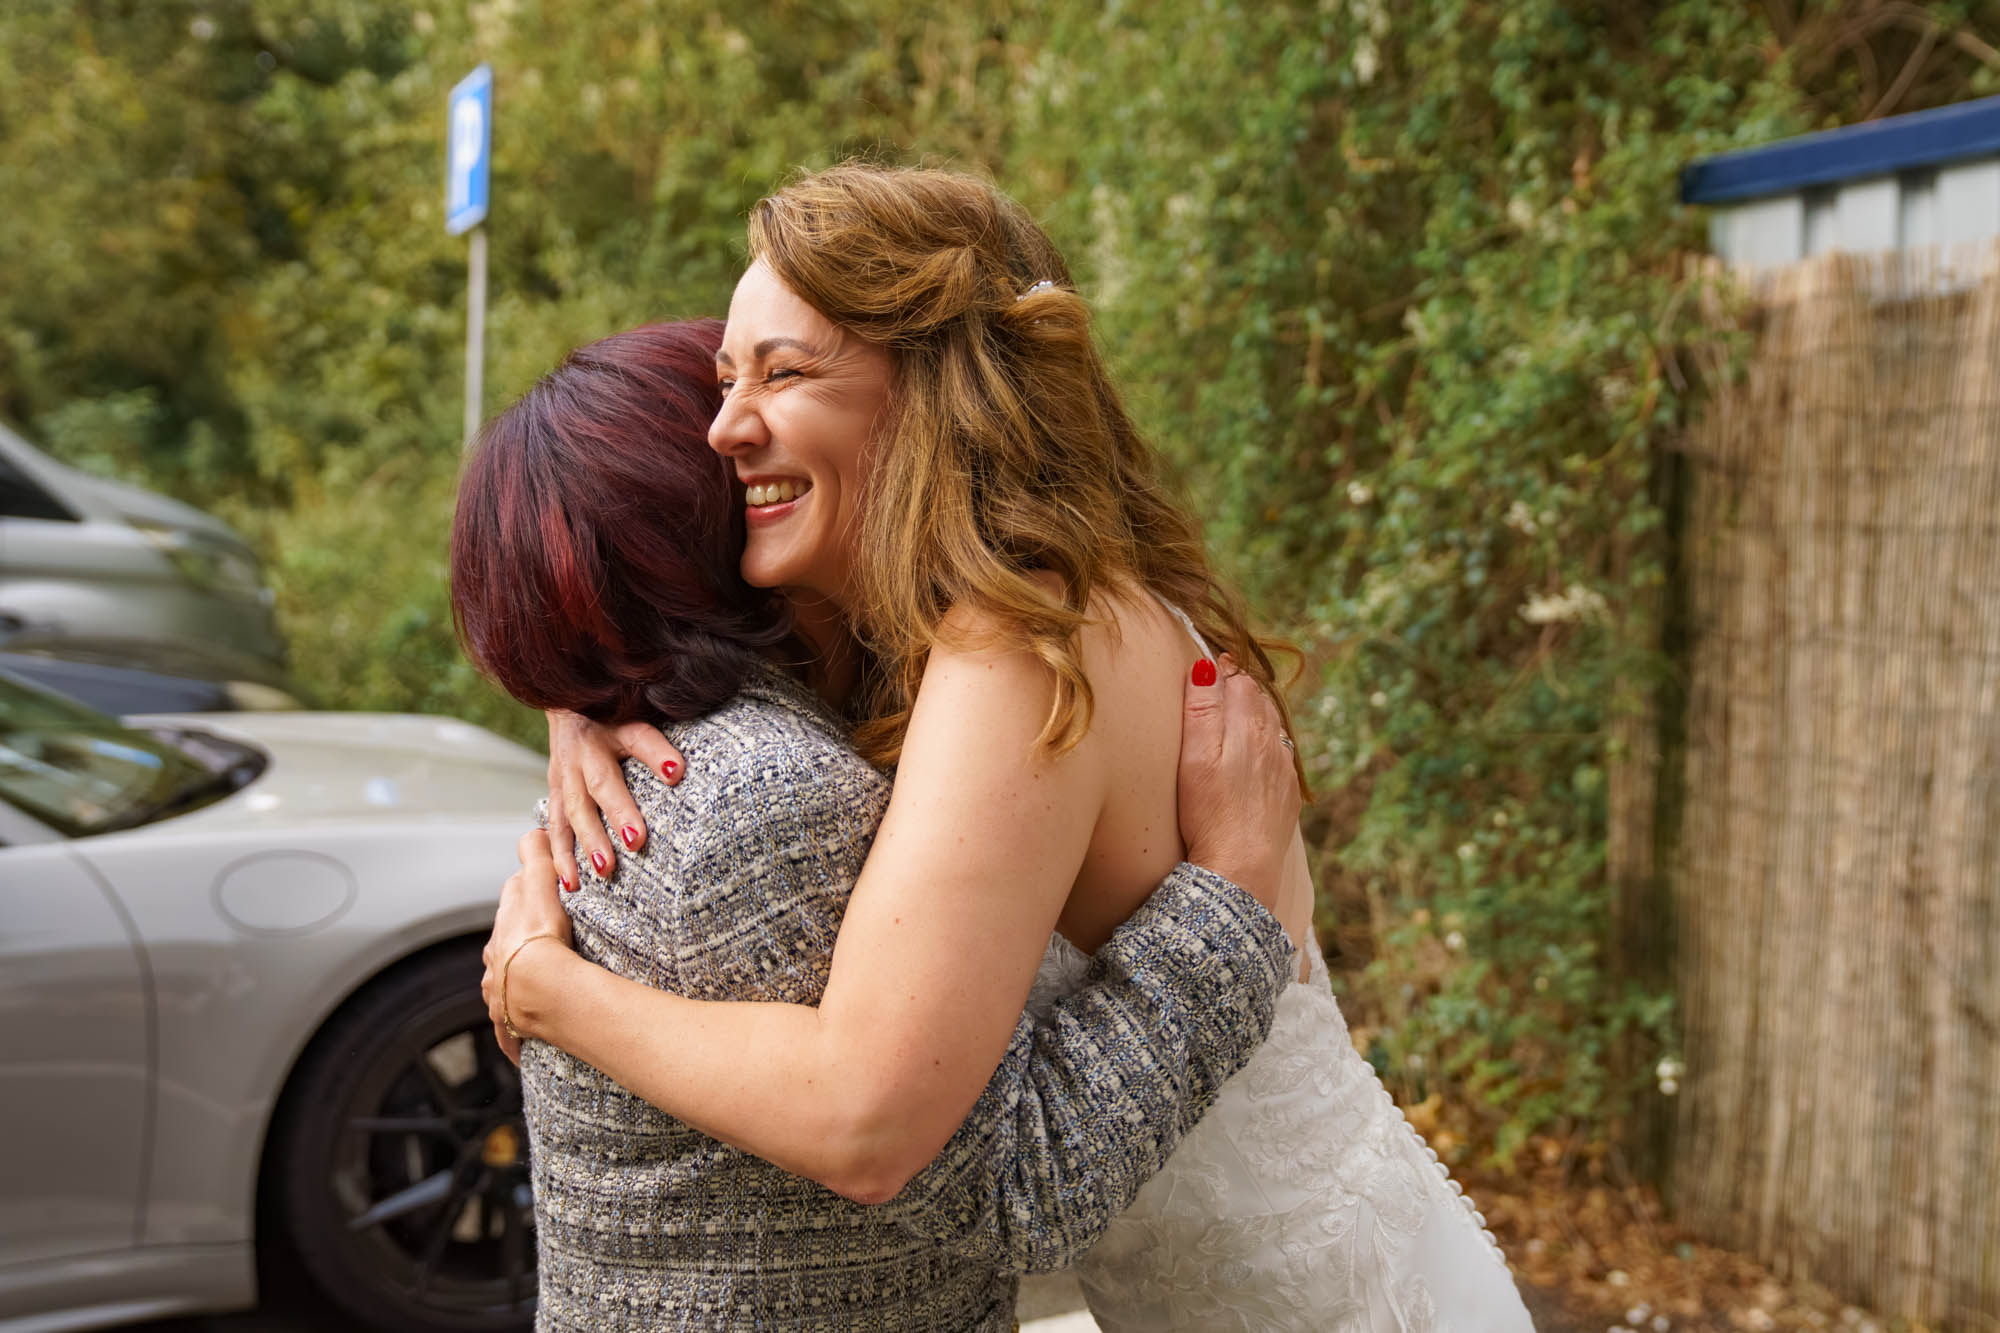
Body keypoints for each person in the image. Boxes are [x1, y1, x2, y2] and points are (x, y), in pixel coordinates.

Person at [505, 165, 1537, 1331]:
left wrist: (550, 991)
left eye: (781, 373)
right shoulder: (996, 623)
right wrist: (584, 693)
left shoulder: (1018, 646)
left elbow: (871, 1124)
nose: (722, 427)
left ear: (935, 393)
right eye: (724, 377)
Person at [451, 317, 1305, 1332]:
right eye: (727, 407)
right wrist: (1232, 883)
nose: (744, 428)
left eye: (776, 384)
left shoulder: (698, 744)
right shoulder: (765, 803)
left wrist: (577, 685)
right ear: (708, 513)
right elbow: (1020, 1183)